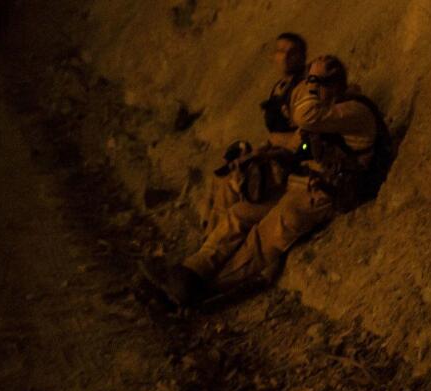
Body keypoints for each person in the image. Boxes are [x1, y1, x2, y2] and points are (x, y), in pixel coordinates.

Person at [156, 54, 387, 305]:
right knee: (239, 214)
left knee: (264, 238)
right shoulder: (330, 112)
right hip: (300, 186)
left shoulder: (354, 111)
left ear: (330, 85)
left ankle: (206, 288)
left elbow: (306, 116)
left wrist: (310, 84)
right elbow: (302, 143)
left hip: (322, 195)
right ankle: (192, 270)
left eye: (314, 81)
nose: (309, 87)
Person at [179, 33, 310, 294]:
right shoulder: (280, 88)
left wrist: (275, 146)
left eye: (291, 52)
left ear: (302, 57)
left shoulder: (303, 92)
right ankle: (203, 256)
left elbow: (305, 142)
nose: (284, 57)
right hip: (276, 163)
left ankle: (199, 274)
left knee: (240, 213)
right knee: (226, 187)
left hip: (292, 175)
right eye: (280, 51)